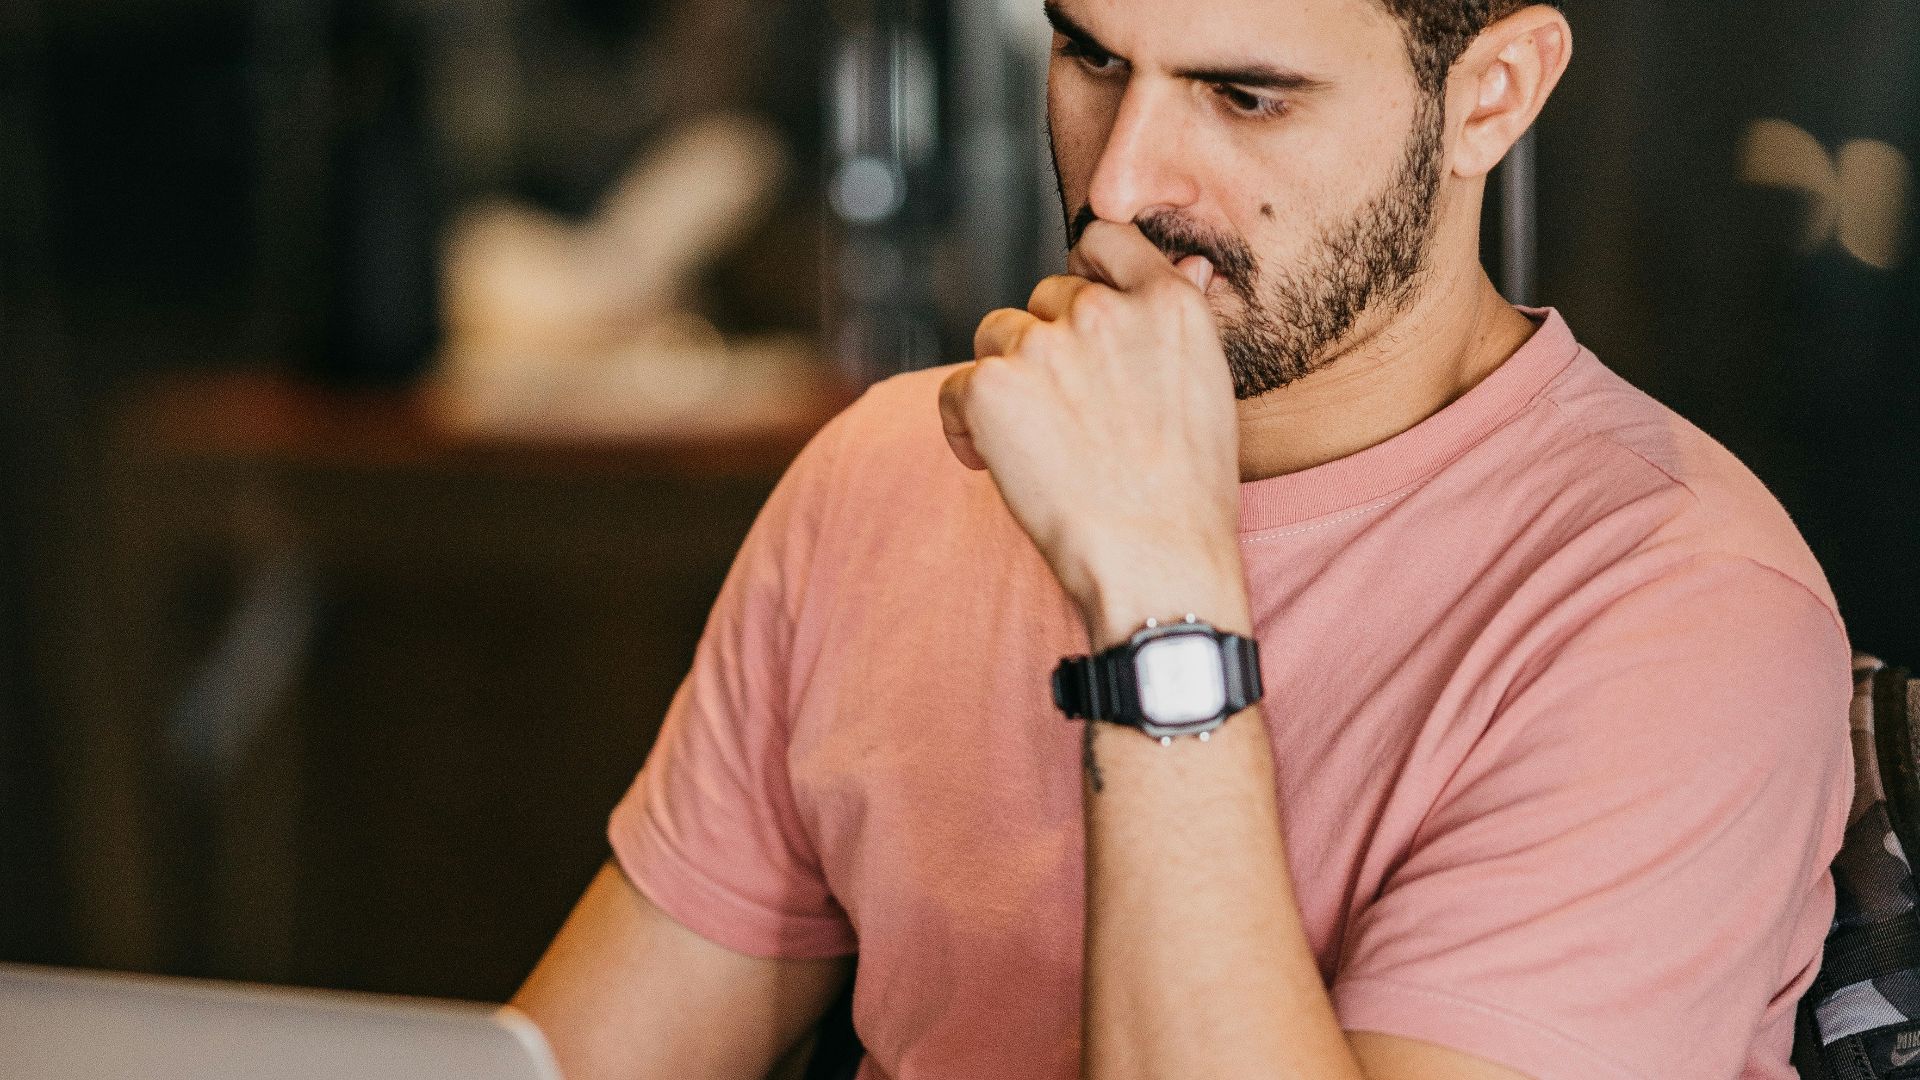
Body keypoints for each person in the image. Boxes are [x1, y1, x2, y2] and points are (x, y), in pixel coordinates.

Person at [512, 1, 1854, 1077]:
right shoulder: (889, 469)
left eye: (1244, 92)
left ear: (1490, 96)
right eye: (1091, 55)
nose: (1120, 182)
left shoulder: (1682, 607)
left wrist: (1157, 593)